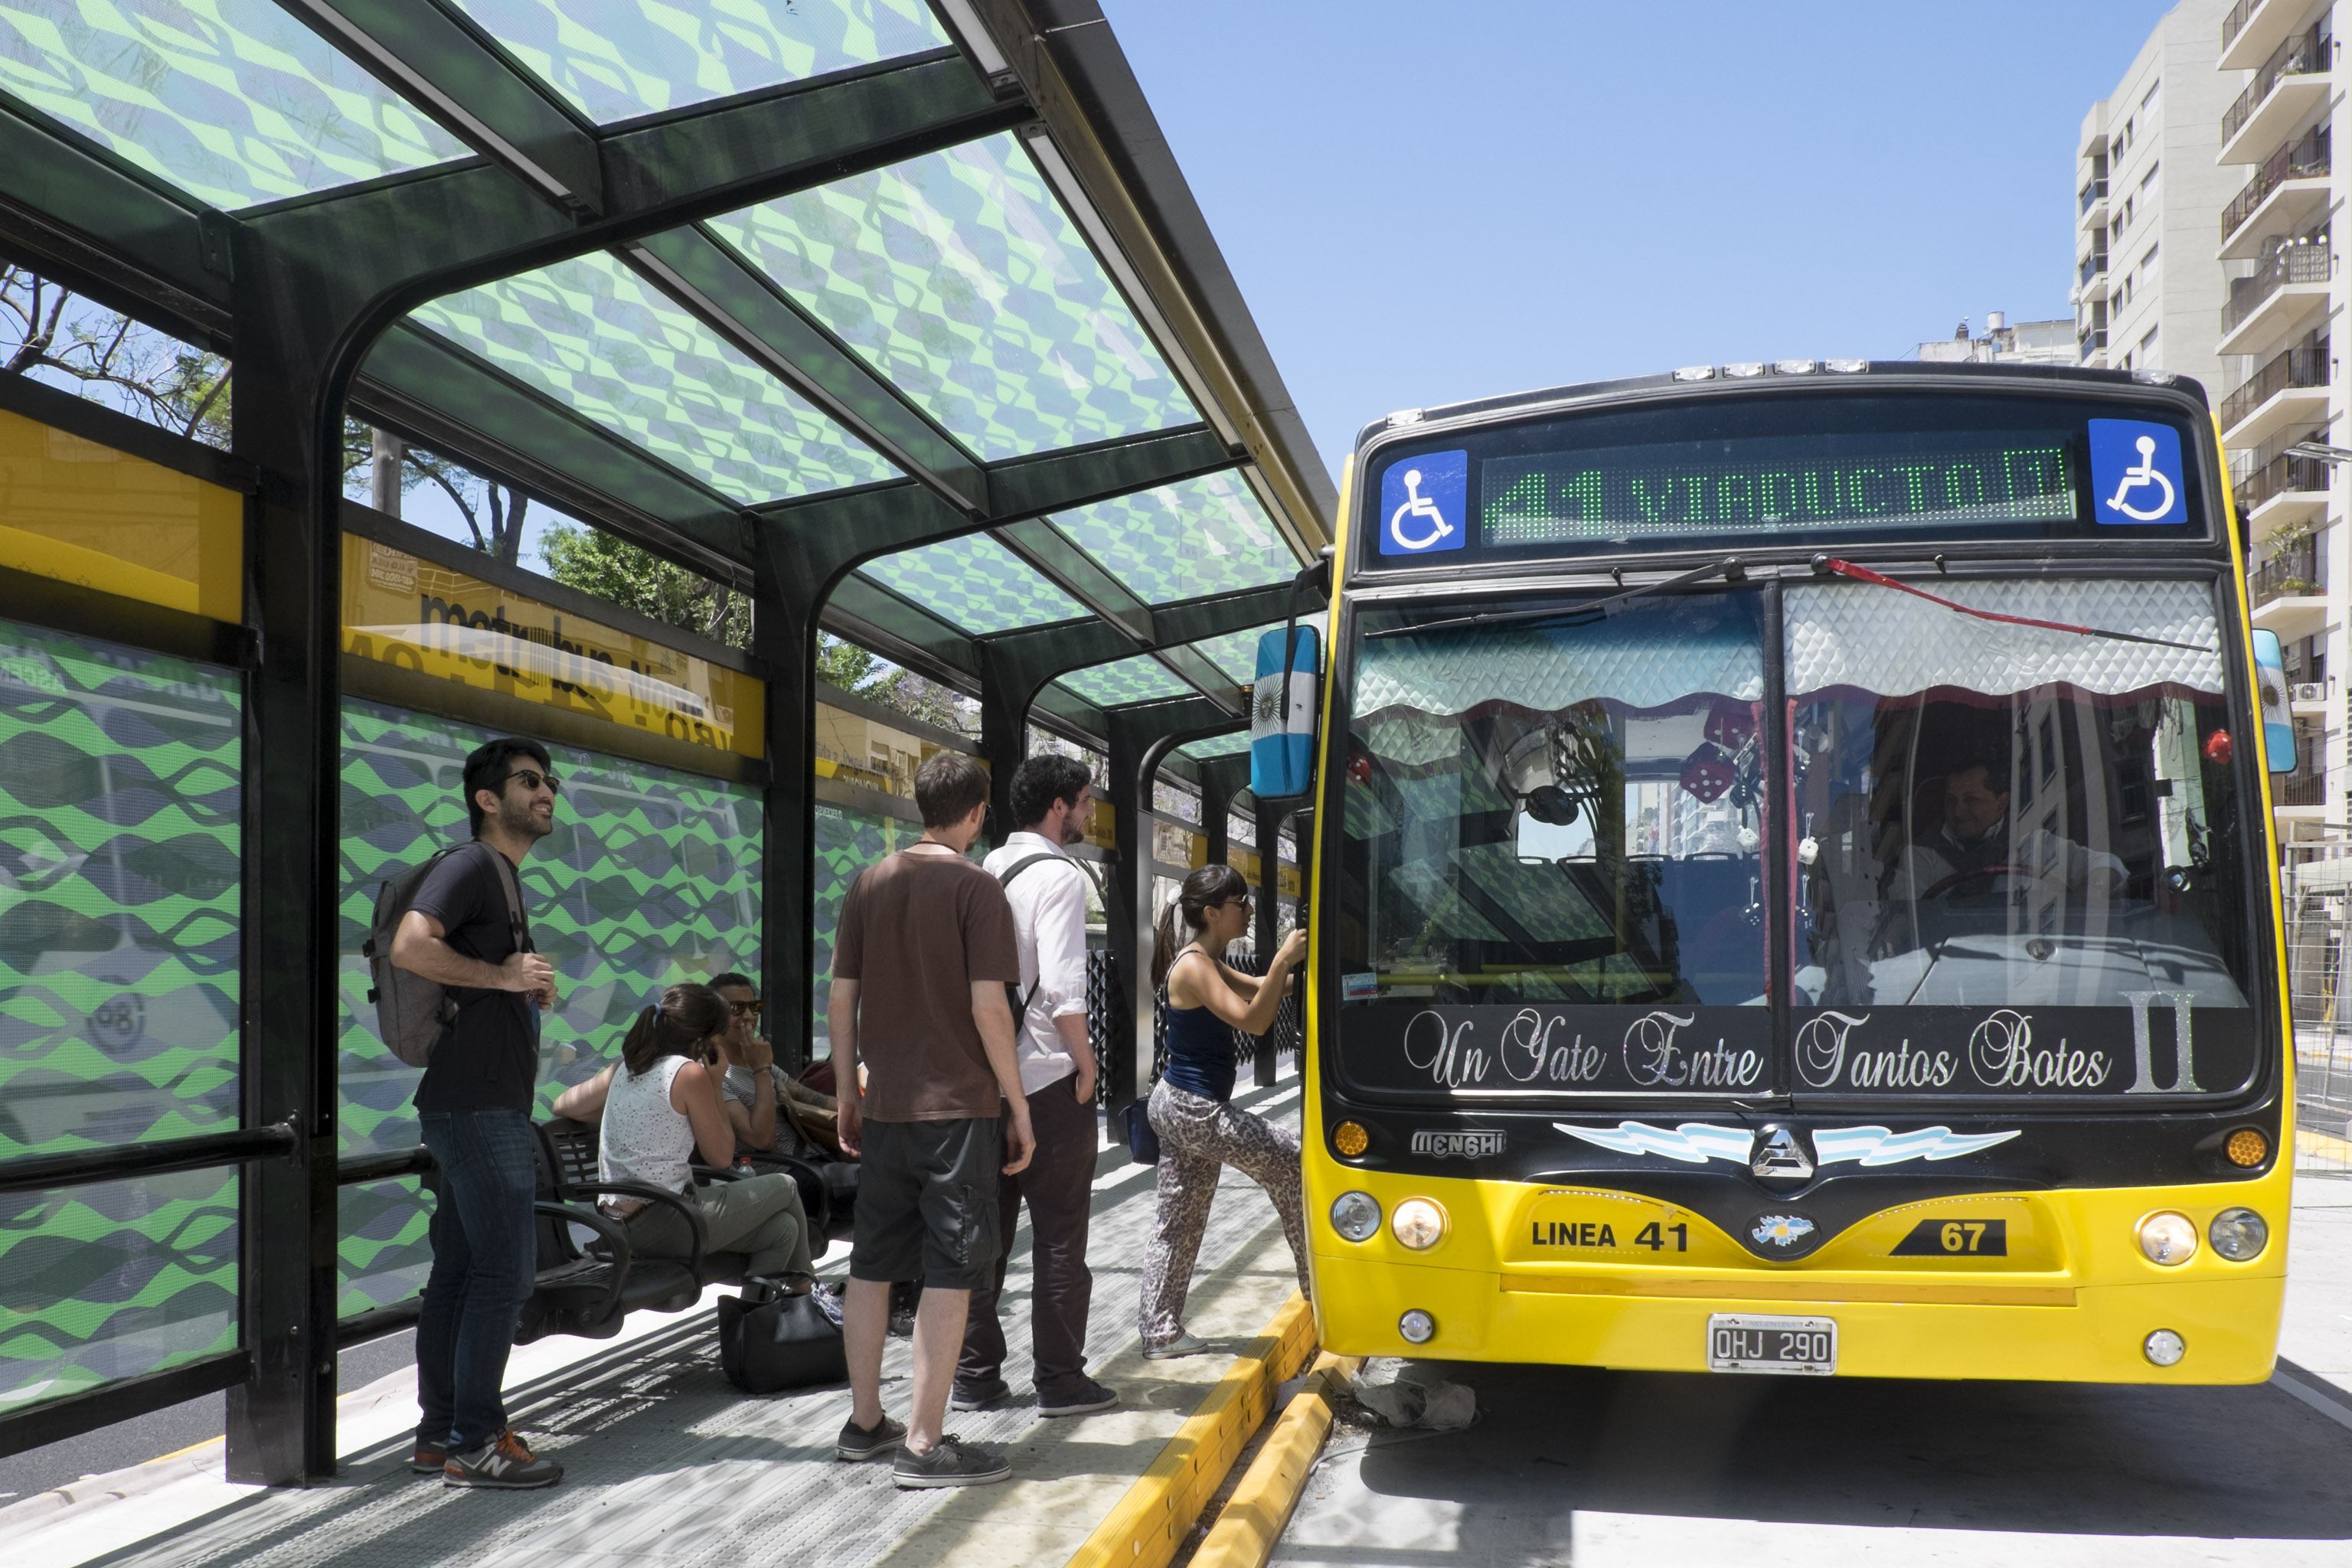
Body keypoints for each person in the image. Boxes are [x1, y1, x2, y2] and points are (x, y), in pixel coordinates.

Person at [828, 751, 1035, 1488]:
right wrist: (1017, 1104)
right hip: (957, 1111)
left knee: (871, 1263)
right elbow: (988, 1010)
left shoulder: (870, 881)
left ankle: (864, 1424)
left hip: (884, 1106)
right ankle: (922, 1444)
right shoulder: (976, 887)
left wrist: (850, 1092)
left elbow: (841, 998)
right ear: (979, 813)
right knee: (953, 1267)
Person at [390, 737, 564, 1490]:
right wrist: (500, 975)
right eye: (529, 780)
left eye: (549, 780)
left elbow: (482, 978)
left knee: (462, 1273)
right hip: (475, 1104)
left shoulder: (504, 879)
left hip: (472, 1103)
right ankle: (475, 1439)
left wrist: (519, 984)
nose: (546, 790)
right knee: (505, 1272)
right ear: (488, 798)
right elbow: (409, 945)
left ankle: (440, 1436)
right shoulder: (470, 865)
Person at [956, 756, 1118, 1418]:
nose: (1087, 813)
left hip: (983, 1083)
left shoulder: (985, 869)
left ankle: (974, 1376)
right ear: (1058, 805)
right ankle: (1059, 1381)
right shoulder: (1059, 876)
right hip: (1047, 1080)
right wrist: (1087, 1063)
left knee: (983, 1235)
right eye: (1083, 802)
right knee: (1058, 1235)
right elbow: (1061, 989)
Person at [1138, 864, 1312, 1359]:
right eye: (1241, 903)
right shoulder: (1194, 965)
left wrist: (1320, 971)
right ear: (1214, 913)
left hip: (1183, 1107)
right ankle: (1317, 1292)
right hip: (1192, 1110)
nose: (1250, 910)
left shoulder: (1208, 959)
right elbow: (1256, 1021)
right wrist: (1282, 958)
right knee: (1292, 1162)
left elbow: (1264, 988)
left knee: (1178, 1221)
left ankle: (1160, 1332)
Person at [550, 983, 813, 1280]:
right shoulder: (689, 1073)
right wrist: (715, 1082)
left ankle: (757, 1318)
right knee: (786, 1186)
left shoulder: (626, 1068)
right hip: (667, 1221)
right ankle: (808, 1294)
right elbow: (721, 1157)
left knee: (782, 1230)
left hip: (622, 1222)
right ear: (705, 1041)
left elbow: (563, 1105)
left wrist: (630, 1111)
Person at [1893, 756, 2125, 904]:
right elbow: (1909, 919)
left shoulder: (2033, 845)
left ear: (2001, 803)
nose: (1958, 811)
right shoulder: (1920, 857)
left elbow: (2107, 864)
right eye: (1951, 801)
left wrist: (2089, 896)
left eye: (1971, 800)